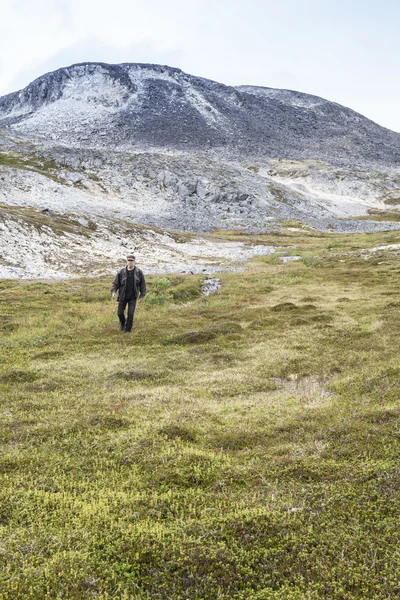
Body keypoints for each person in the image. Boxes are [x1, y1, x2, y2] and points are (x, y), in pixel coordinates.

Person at [111, 255, 146, 333]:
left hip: (133, 297)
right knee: (119, 313)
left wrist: (142, 296)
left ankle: (127, 331)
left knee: (130, 314)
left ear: (135, 261)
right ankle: (123, 323)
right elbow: (115, 284)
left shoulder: (139, 272)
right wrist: (114, 292)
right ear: (126, 262)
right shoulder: (121, 272)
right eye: (129, 260)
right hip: (122, 296)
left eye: (132, 261)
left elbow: (142, 285)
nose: (130, 262)